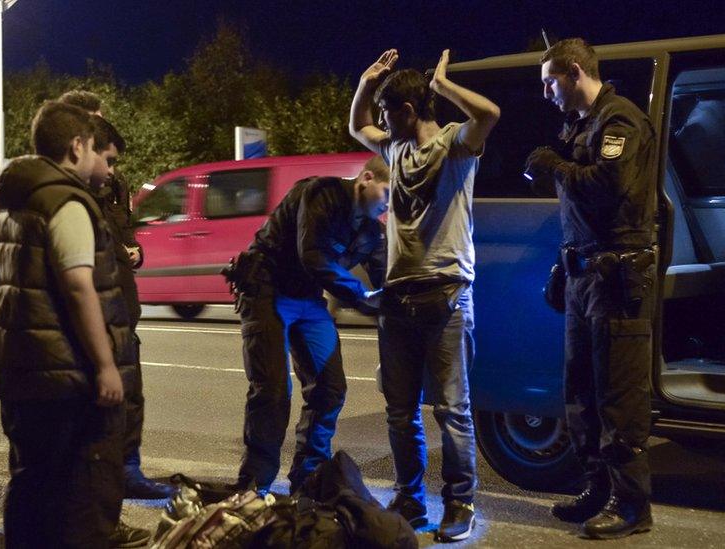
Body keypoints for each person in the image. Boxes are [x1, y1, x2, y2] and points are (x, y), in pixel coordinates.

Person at [349, 49, 500, 542]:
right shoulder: (395, 151)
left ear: (409, 112)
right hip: (398, 298)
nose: (383, 124)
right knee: (400, 409)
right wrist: (368, 82)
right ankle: (411, 498)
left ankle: (461, 504)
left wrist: (442, 85)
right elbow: (357, 126)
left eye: (390, 114)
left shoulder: (457, 144)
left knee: (452, 408)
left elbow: (489, 114)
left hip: (447, 295)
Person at [0, 101, 139, 547]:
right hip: (65, 382)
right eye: (98, 152)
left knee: (30, 489)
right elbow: (79, 287)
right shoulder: (65, 202)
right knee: (82, 498)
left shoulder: (8, 203)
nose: (105, 166)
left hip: (22, 378)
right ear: (77, 146)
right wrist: (105, 366)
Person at [524, 37, 657, 539]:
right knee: (581, 392)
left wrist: (554, 165)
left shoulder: (618, 120)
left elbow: (607, 185)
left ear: (574, 71)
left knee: (619, 396)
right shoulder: (585, 124)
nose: (546, 93)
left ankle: (632, 506)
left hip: (616, 276)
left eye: (549, 82)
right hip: (583, 274)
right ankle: (597, 489)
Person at [229, 156, 390, 495]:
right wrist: (362, 296)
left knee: (330, 387)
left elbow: (386, 279)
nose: (389, 203)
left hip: (306, 296)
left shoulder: (373, 231)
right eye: (387, 191)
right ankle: (254, 487)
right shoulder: (322, 194)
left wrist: (396, 304)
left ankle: (309, 475)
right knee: (272, 391)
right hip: (267, 289)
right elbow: (312, 255)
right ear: (366, 178)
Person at [58, 90, 169, 500]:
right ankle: (95, 495)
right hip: (90, 312)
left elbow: (124, 231)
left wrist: (134, 251)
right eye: (92, 121)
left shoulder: (114, 179)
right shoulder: (64, 187)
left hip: (121, 300)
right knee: (91, 410)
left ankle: (127, 470)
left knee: (130, 393)